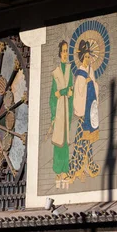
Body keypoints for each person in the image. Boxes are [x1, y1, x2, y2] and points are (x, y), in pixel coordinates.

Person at [69, 39, 101, 182]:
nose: (88, 60)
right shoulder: (80, 73)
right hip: (84, 111)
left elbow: (95, 85)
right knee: (82, 140)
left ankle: (87, 165)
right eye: (86, 57)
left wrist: (92, 84)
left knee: (88, 141)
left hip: (91, 109)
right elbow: (78, 92)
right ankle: (78, 167)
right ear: (82, 58)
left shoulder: (90, 71)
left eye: (89, 57)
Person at [49, 40, 73, 189]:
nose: (65, 54)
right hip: (58, 111)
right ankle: (58, 171)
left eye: (67, 51)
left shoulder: (69, 70)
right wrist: (52, 116)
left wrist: (64, 93)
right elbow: (53, 95)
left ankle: (65, 171)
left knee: (65, 141)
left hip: (66, 109)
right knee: (58, 142)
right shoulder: (56, 72)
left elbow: (71, 90)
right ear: (59, 53)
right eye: (63, 51)